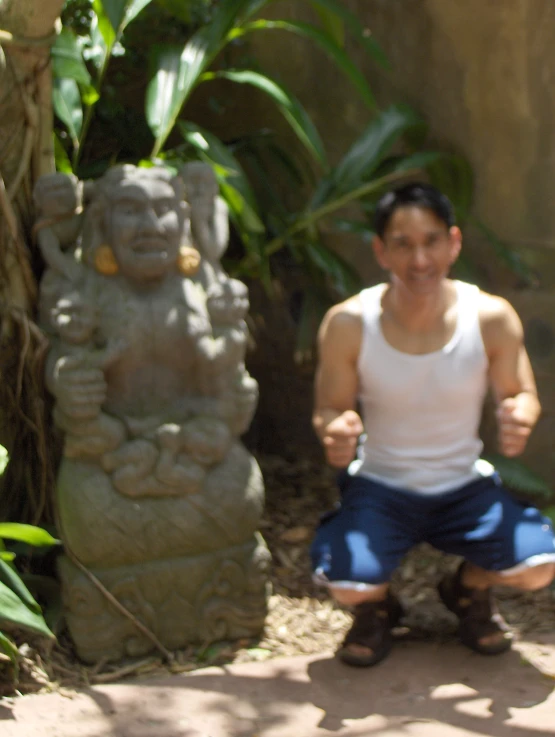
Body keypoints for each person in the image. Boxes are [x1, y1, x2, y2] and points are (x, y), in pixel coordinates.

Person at [310, 182, 555, 668]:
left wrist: (520, 416)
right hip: (381, 486)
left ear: (454, 243)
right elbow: (328, 408)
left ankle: (465, 591)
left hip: (463, 487)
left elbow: (521, 393)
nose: (419, 259)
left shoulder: (490, 317)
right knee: (347, 585)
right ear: (380, 251)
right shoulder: (349, 323)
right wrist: (334, 431)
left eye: (431, 241)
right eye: (403, 244)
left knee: (539, 566)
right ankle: (378, 608)